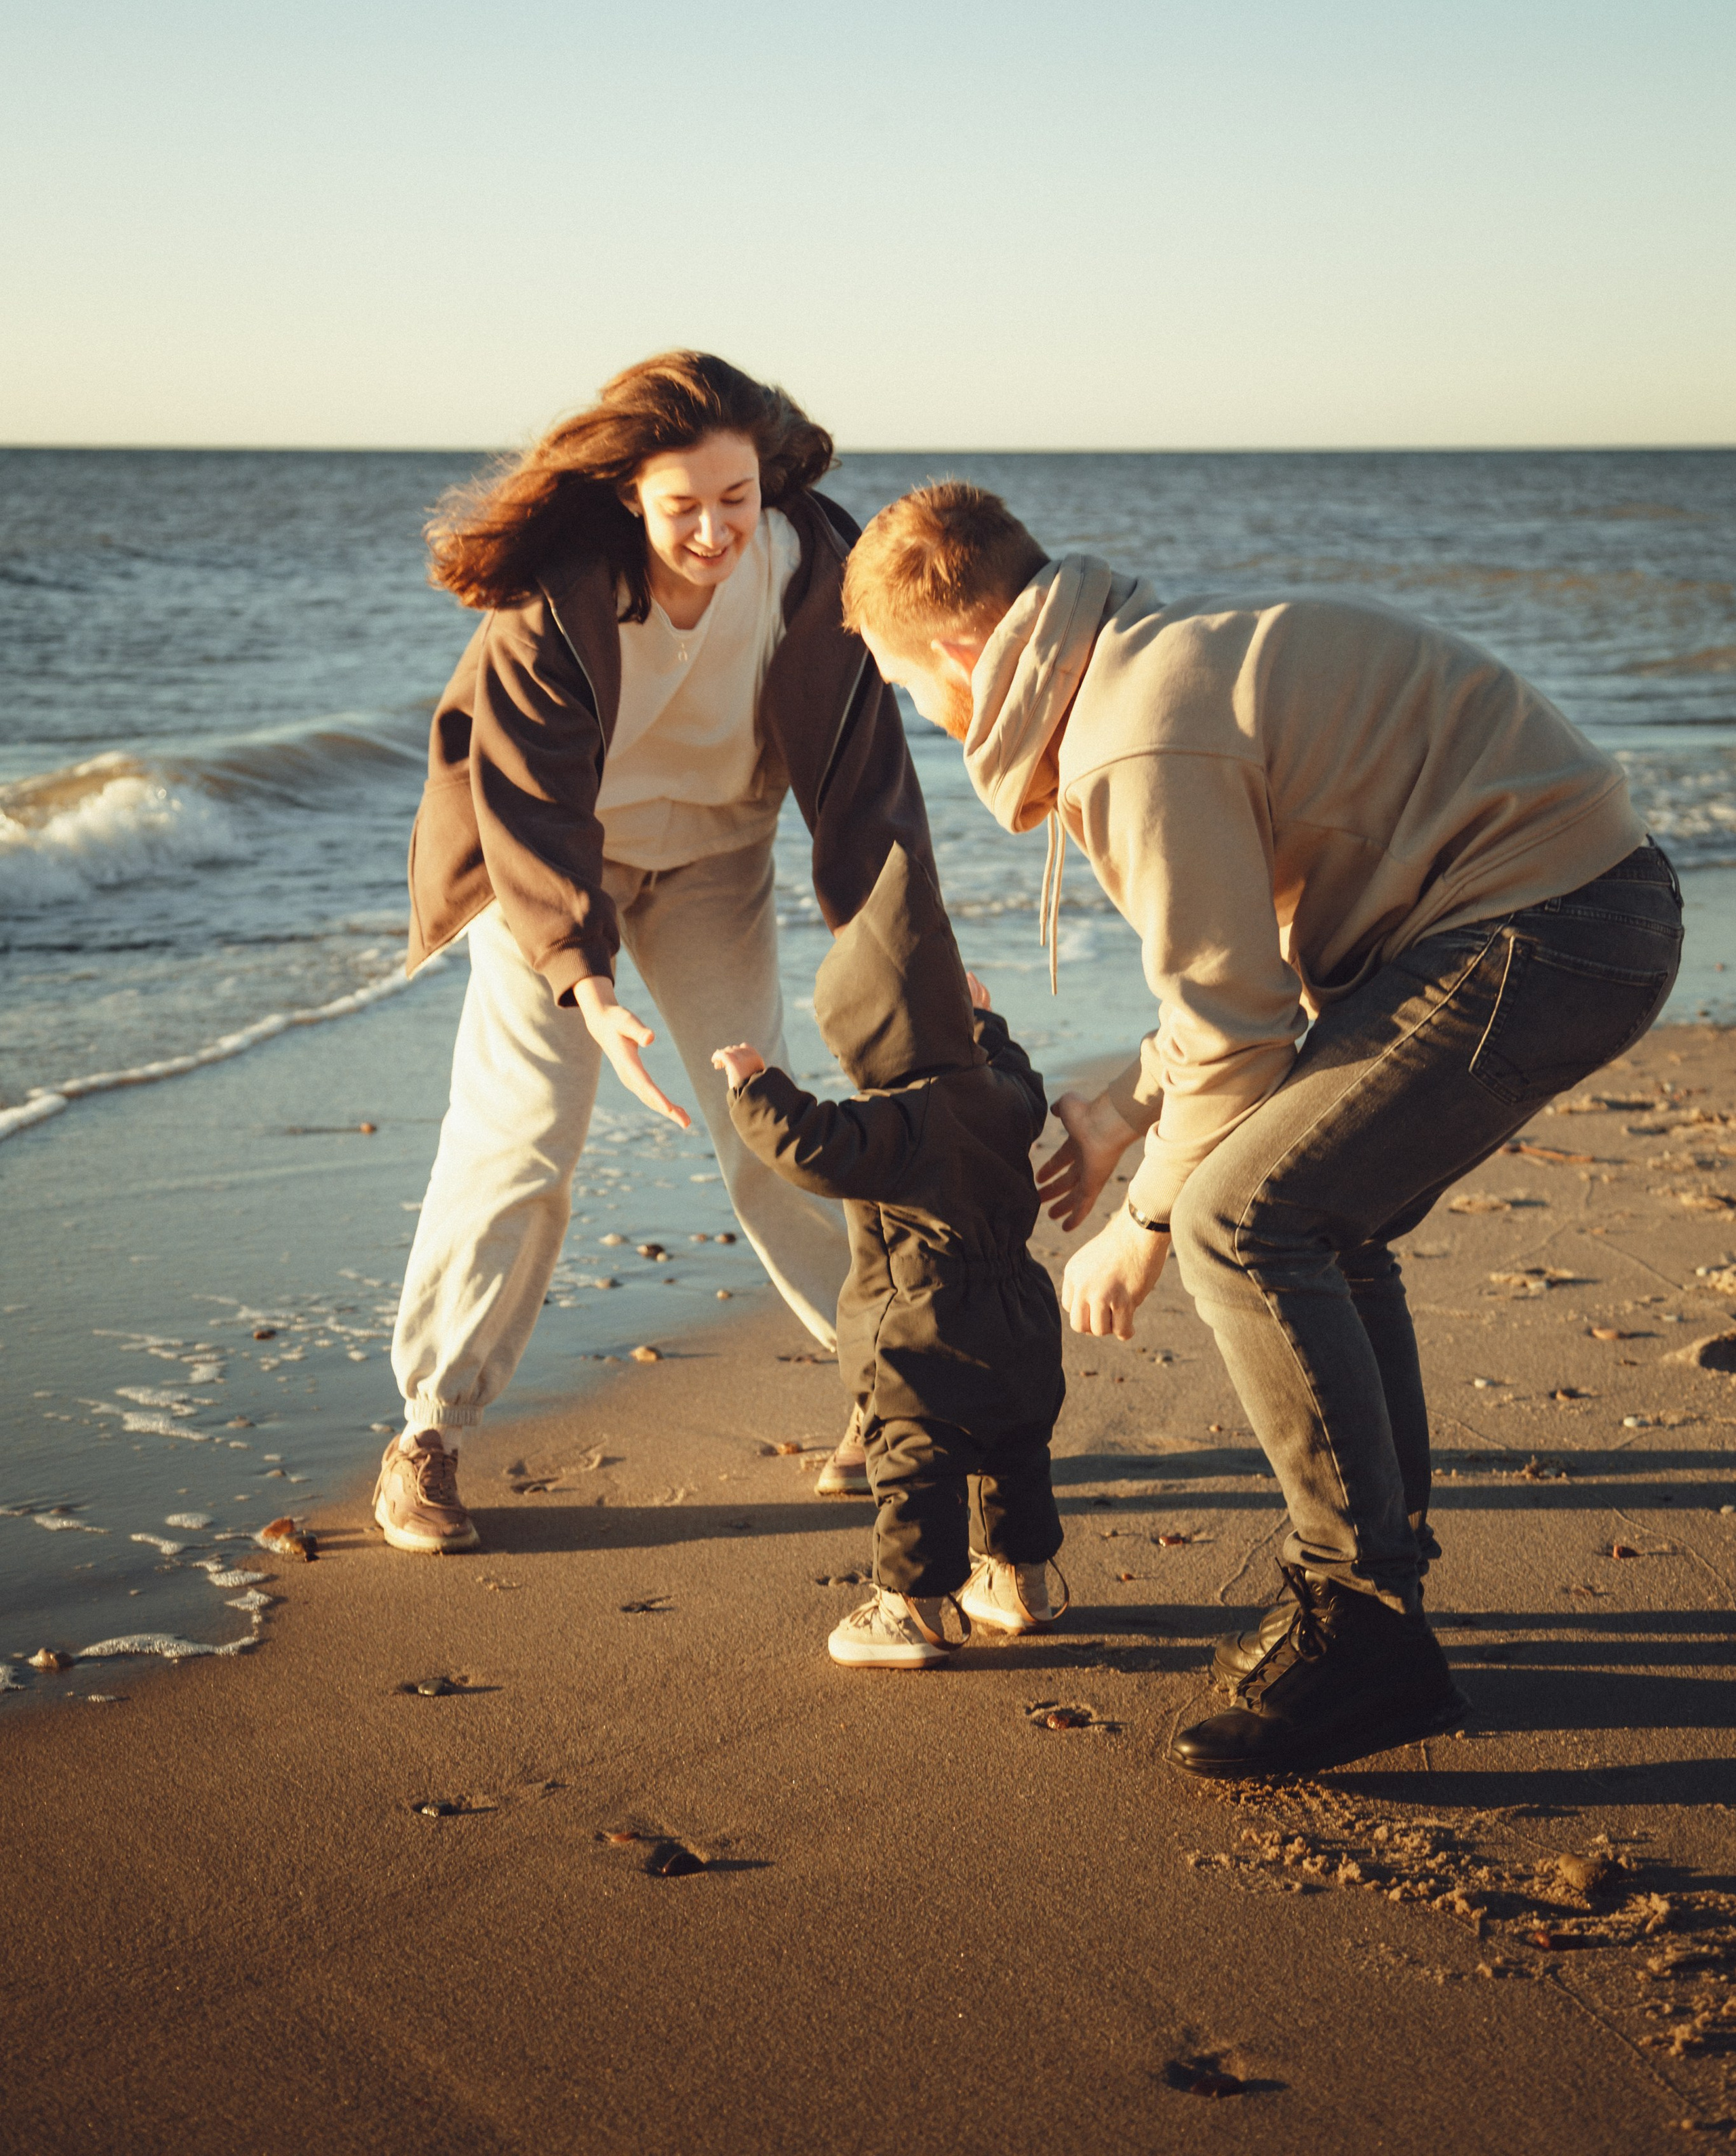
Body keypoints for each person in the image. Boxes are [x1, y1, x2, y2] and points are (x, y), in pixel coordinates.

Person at [837, 480, 1684, 1774]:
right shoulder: (1142, 660)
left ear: (959, 651)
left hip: (1549, 923)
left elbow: (1235, 1044)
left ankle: (1364, 1619)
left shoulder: (1135, 733)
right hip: (1567, 907)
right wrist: (1123, 1109)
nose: (919, 714)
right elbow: (1243, 992)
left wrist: (1139, 1222)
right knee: (1323, 1217)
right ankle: (1372, 1581)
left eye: (904, 685)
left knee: (1247, 1217)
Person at [374, 353, 930, 1554]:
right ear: (631, 492)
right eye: (687, 506)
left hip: (716, 863)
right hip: (551, 877)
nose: (718, 529)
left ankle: (891, 1392)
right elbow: (522, 804)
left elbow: (862, 776)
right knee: (521, 1138)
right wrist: (584, 977)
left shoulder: (809, 567)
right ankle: (428, 1434)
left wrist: (908, 952)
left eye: (738, 497)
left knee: (767, 1121)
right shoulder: (553, 595)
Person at [713, 842, 1067, 1669]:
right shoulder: (1001, 1095)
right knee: (1017, 1454)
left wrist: (752, 1086)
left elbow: (810, 1145)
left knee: (915, 1463)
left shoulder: (895, 1122)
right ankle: (1026, 1585)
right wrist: (986, 1023)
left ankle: (913, 1608)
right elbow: (1023, 1073)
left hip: (923, 1331)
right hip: (1020, 1320)